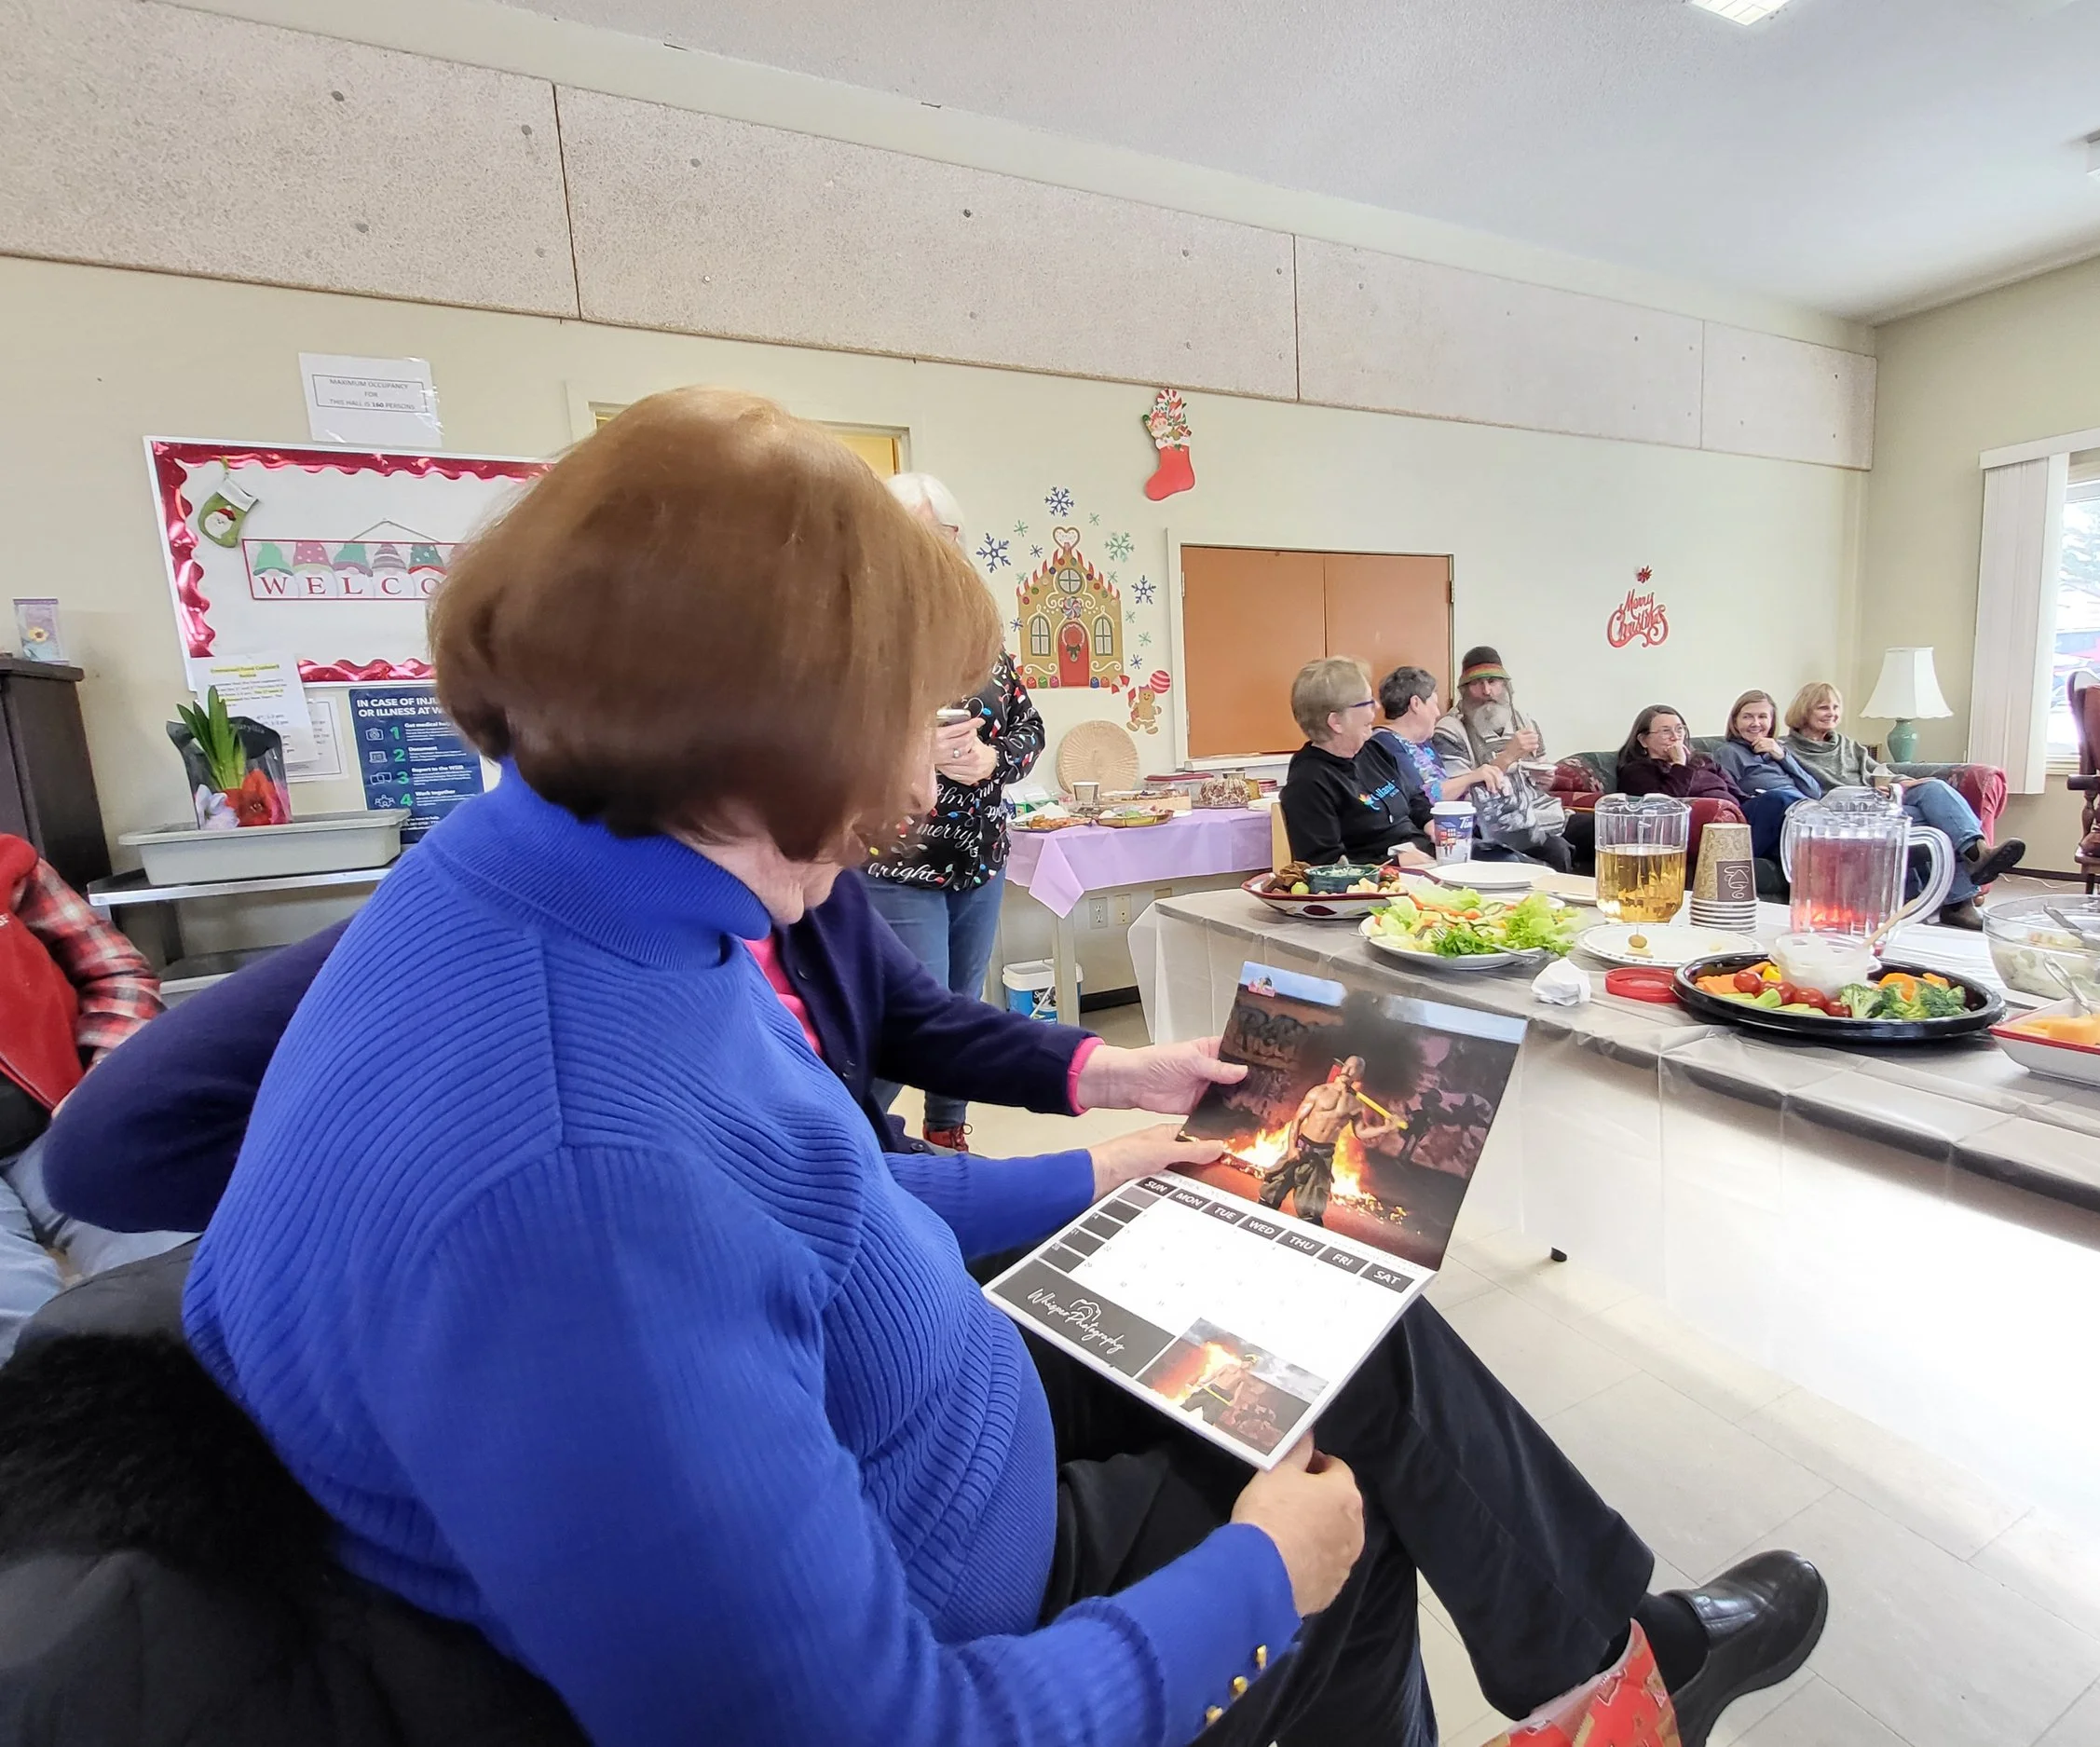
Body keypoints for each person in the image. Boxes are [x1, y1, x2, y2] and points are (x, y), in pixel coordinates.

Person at [178, 390, 1821, 1747]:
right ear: (788, 733)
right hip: (971, 1582)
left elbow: (797, 1190)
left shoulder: (553, 900)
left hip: (904, 1406)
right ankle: (1556, 1665)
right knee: (1344, 1520)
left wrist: (1085, 1154)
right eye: (929, 716)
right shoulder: (578, 1190)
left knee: (1334, 1296)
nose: (942, 767)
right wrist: (1262, 1577)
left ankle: (1621, 1676)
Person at [42, 893, 1244, 1262]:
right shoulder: (545, 947)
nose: (928, 793)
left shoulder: (795, 878)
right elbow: (116, 1144)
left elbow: (910, 1022)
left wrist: (1119, 1075)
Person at [865, 471, 1043, 1152]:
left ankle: (947, 1133)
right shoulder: (861, 640)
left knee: (962, 1009)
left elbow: (1029, 731)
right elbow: (825, 747)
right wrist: (911, 750)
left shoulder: (981, 644)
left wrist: (994, 762)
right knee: (912, 1013)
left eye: (936, 539)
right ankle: (849, 1134)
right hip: (895, 863)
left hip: (980, 857)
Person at [0, 832, 184, 1358]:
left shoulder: (10, 865)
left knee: (175, 1262)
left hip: (55, 1120)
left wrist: (99, 1084)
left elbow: (116, 973)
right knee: (18, 1322)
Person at [1782, 681, 2025, 929]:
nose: (1832, 713)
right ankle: (1959, 902)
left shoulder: (1847, 745)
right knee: (1939, 820)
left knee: (1934, 788)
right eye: (1823, 708)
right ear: (1804, 710)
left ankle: (1977, 853)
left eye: (1835, 707)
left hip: (1879, 802)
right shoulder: (1786, 750)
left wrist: (1902, 781)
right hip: (1846, 816)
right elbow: (1805, 790)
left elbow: (1877, 771)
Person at [1373, 664, 1572, 871]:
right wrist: (1473, 776)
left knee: (1555, 849)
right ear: (1416, 704)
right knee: (1522, 861)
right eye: (1433, 702)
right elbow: (1421, 799)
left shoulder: (1422, 743)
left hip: (1472, 826)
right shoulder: (1386, 746)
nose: (1438, 711)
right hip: (1441, 836)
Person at [1281, 656, 1436, 867]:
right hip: (1382, 884)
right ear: (1336, 722)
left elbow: (1415, 797)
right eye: (1367, 702)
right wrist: (1392, 862)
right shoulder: (1309, 782)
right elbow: (1325, 865)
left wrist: (1431, 822)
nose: (1378, 707)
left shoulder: (1375, 749)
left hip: (1428, 860)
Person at [1431, 647, 1574, 866]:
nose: (1487, 691)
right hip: (1499, 823)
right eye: (1478, 683)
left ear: (1505, 685)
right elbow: (1463, 795)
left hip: (1546, 813)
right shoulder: (1450, 730)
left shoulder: (1523, 721)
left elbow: (1543, 777)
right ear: (1465, 689)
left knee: (1599, 830)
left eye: (1493, 681)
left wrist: (1546, 780)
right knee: (1557, 850)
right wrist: (1508, 756)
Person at [1256, 1057, 1398, 1227]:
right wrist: (1292, 1148)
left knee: (1311, 1210)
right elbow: (1297, 1120)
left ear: (1359, 1075)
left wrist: (1386, 1128)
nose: (1348, 1070)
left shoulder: (1355, 1104)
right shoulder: (1319, 1091)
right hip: (1301, 1147)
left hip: (1322, 1157)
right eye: (1346, 1065)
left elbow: (1361, 1132)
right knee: (1271, 1193)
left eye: (1354, 1068)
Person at [1707, 690, 1821, 862]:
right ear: (1735, 722)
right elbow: (1729, 796)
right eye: (1747, 717)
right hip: (1762, 814)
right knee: (1778, 798)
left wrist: (1782, 756)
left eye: (1762, 717)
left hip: (1796, 816)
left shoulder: (1779, 751)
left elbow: (1814, 792)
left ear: (1772, 721)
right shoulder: (1729, 752)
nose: (1755, 723)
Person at [1614, 705, 1744, 804]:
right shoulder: (1637, 771)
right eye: (1666, 731)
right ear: (1644, 740)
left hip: (1736, 814)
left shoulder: (1703, 760)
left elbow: (1739, 796)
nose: (1675, 737)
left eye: (1679, 729)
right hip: (1700, 822)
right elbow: (1664, 805)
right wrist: (1679, 764)